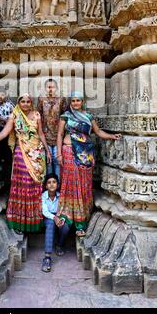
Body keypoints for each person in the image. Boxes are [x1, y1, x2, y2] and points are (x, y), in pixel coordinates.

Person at [0, 94, 52, 234]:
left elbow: (41, 134)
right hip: (21, 154)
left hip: (37, 155)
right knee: (22, 185)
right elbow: (4, 133)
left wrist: (47, 151)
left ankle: (34, 221)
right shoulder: (15, 115)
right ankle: (20, 222)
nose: (25, 104)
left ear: (31, 103)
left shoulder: (36, 115)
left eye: (28, 101)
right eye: (22, 101)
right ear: (19, 102)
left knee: (34, 186)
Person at [57, 91, 121, 237]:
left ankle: (81, 221)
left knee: (83, 185)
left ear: (82, 102)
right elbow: (60, 134)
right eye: (73, 101)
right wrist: (59, 153)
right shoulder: (65, 116)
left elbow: (97, 132)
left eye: (78, 101)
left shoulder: (88, 116)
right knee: (70, 183)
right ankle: (66, 216)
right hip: (68, 152)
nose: (75, 103)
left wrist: (111, 136)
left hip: (85, 155)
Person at [37, 79, 67, 180]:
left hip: (58, 135)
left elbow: (65, 115)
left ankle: (58, 186)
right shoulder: (41, 99)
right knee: (48, 161)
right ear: (45, 88)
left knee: (57, 160)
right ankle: (49, 186)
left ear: (56, 88)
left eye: (53, 87)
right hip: (45, 135)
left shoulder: (61, 99)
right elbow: (38, 115)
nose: (50, 89)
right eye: (48, 87)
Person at [41, 172, 71, 272]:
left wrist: (61, 219)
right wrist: (54, 218)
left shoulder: (61, 196)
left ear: (57, 185)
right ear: (46, 185)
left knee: (66, 226)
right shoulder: (43, 196)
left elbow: (65, 209)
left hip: (59, 217)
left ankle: (59, 244)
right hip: (48, 218)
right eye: (49, 182)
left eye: (54, 182)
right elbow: (45, 212)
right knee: (50, 223)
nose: (51, 184)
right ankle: (47, 257)